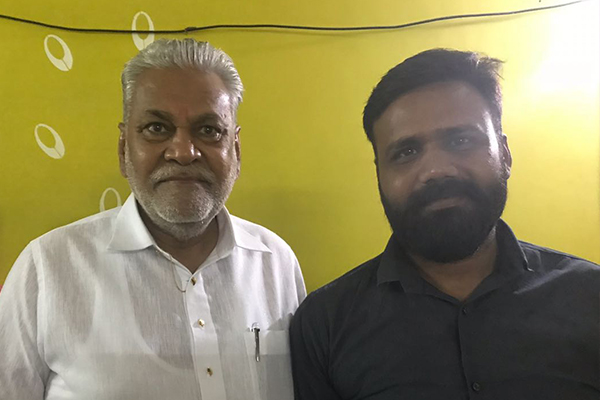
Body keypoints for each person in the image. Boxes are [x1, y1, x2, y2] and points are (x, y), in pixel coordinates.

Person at [0, 38, 305, 400]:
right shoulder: (46, 268)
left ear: (235, 151)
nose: (183, 152)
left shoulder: (276, 262)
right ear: (123, 149)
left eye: (209, 130)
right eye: (157, 128)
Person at [289, 49, 599, 400]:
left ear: (505, 154)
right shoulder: (325, 324)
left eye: (460, 140)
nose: (436, 170)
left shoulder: (590, 295)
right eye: (406, 152)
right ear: (379, 174)